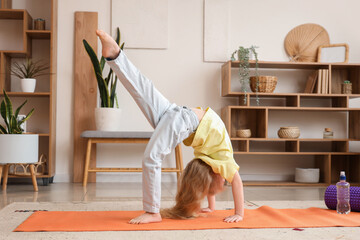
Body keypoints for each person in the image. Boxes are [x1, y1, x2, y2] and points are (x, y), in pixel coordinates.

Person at [96, 30, 244, 224]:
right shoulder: (225, 159)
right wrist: (239, 213)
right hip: (185, 120)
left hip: (177, 114)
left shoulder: (211, 161)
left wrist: (212, 207)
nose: (225, 181)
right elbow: (238, 184)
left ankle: (115, 56)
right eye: (223, 183)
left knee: (142, 89)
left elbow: (210, 180)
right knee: (152, 157)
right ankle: (152, 212)